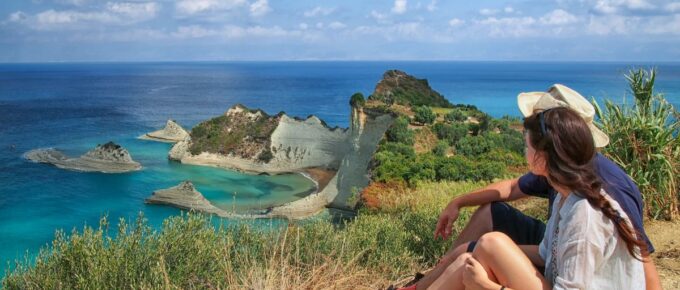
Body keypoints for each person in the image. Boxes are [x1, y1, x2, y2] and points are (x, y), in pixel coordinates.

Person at [398, 84, 660, 290]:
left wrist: (490, 287)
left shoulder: (593, 205)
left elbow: (640, 254)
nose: (523, 150)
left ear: (545, 154)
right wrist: (471, 246)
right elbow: (545, 247)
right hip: (563, 268)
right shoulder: (566, 187)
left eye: (527, 144)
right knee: (484, 248)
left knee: (486, 254)